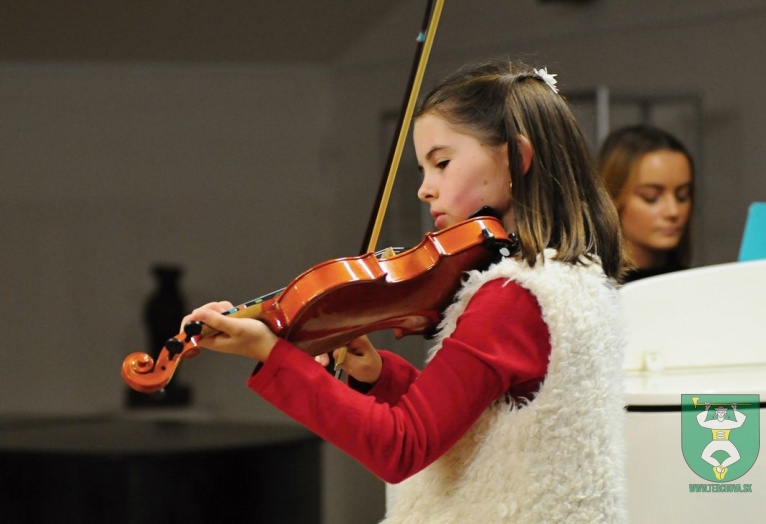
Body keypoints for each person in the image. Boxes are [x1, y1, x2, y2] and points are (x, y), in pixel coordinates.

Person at [183, 59, 628, 522]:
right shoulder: (572, 278)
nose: (424, 189)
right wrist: (380, 377)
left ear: (516, 156)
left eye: (441, 163)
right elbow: (479, 427)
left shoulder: (512, 298)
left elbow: (403, 445)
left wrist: (275, 356)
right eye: (422, 168)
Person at [598, 124, 695, 283]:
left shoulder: (692, 284)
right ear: (612, 199)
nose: (673, 211)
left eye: (682, 196)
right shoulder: (592, 290)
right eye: (651, 197)